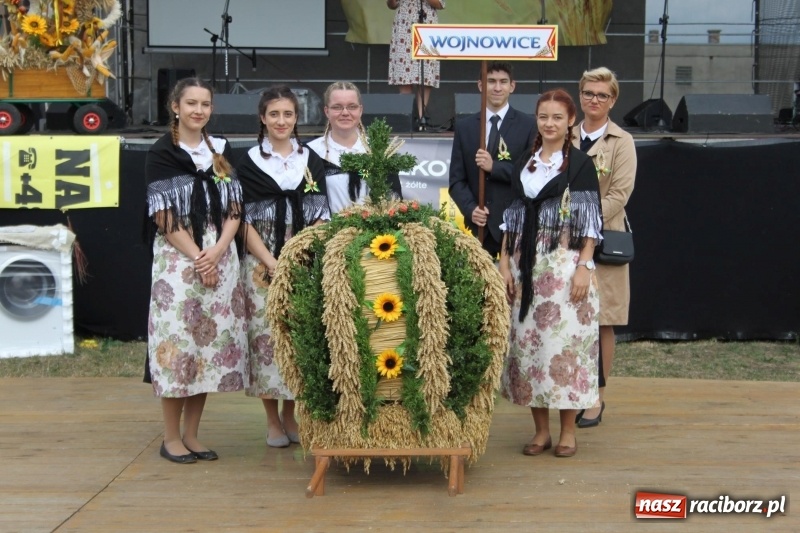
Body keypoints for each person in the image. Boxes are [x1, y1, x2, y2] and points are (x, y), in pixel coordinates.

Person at [144, 77, 247, 464]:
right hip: (179, 257)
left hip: (220, 253)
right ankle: (171, 437)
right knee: (179, 347)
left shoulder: (221, 149)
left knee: (206, 345)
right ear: (175, 106)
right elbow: (162, 213)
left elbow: (236, 207)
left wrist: (218, 251)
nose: (198, 110)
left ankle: (192, 434)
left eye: (205, 104)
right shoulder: (162, 151)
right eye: (191, 103)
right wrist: (198, 257)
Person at [498, 89, 603, 458]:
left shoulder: (579, 165)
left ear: (570, 121)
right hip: (525, 267)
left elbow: (591, 222)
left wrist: (584, 267)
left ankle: (568, 431)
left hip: (564, 266)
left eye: (558, 117)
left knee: (565, 349)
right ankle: (540, 430)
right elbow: (512, 215)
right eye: (544, 116)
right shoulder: (525, 162)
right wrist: (504, 262)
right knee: (530, 348)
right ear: (537, 120)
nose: (550, 123)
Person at [237, 85, 330, 448]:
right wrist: (271, 260)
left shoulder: (312, 159)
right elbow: (241, 220)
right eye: (274, 114)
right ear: (263, 118)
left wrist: (296, 258)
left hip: (303, 259)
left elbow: (321, 215)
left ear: (297, 118)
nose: (281, 121)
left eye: (288, 114)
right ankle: (272, 420)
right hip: (261, 261)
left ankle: (292, 414)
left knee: (298, 336)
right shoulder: (247, 162)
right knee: (266, 337)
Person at [573, 67, 637, 429]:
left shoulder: (621, 141)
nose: (594, 100)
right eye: (588, 93)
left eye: (601, 95)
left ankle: (596, 397)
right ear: (580, 96)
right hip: (562, 240)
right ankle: (570, 390)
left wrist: (586, 225)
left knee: (603, 321)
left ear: (612, 100)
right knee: (567, 317)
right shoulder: (564, 134)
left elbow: (619, 195)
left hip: (604, 239)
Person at [449, 61, 537, 258]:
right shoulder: (465, 127)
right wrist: (471, 209)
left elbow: (530, 174)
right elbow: (456, 181)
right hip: (479, 229)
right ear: (481, 85)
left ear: (512, 86)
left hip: (514, 227)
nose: (497, 87)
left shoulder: (529, 125)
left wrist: (494, 167)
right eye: (491, 81)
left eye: (503, 82)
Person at [307, 81, 402, 214]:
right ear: (326, 111)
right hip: (327, 231)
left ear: (360, 110)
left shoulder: (379, 151)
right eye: (337, 107)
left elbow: (394, 201)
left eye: (352, 107)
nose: (345, 112)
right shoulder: (311, 152)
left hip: (373, 232)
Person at [387, 0, 445, 129]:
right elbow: (391, 5)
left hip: (426, 23)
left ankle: (421, 118)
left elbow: (440, 4)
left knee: (425, 73)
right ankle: (405, 116)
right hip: (404, 25)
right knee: (404, 74)